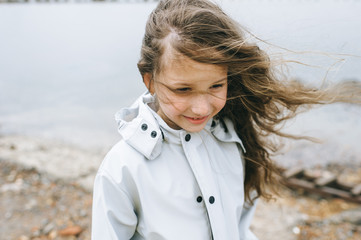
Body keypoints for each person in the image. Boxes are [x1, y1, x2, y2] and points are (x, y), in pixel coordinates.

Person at [92, 0, 361, 239]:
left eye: (216, 86)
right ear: (149, 80)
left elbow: (239, 228)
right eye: (183, 89)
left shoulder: (233, 141)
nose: (201, 108)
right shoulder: (122, 169)